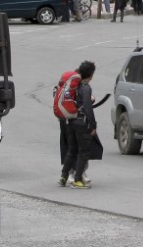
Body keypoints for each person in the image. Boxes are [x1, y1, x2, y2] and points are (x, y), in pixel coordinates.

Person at [59, 61, 97, 189]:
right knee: (83, 152)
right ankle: (77, 179)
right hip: (82, 123)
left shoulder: (74, 86)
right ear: (90, 75)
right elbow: (87, 107)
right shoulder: (86, 87)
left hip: (71, 122)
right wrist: (93, 125)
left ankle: (63, 176)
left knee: (71, 150)